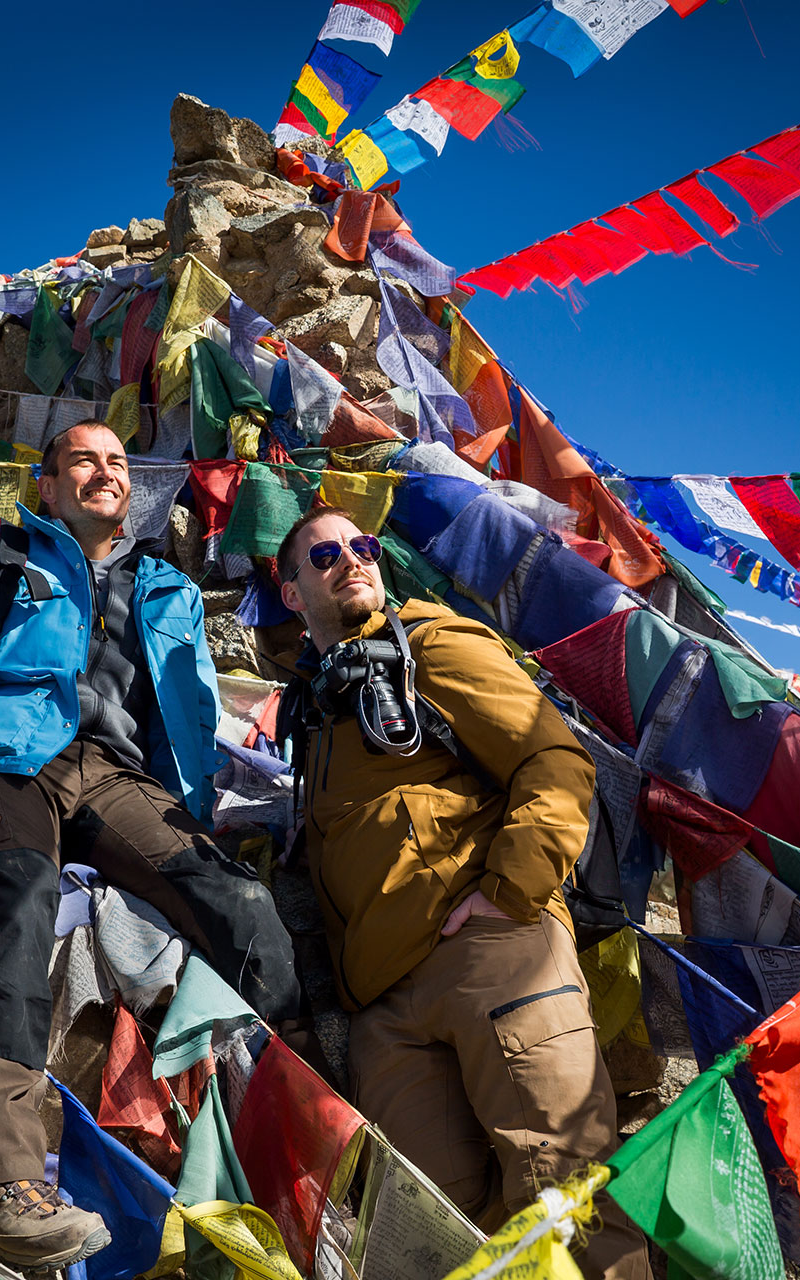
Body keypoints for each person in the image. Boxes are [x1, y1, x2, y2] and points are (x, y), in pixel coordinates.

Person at [0, 420, 299, 1271]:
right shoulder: (1, 551)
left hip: (121, 778)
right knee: (16, 903)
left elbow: (193, 708)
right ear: (49, 486)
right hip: (11, 759)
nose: (106, 473)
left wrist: (197, 806)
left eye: (118, 462)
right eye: (84, 462)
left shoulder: (167, 587)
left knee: (245, 908)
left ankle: (291, 1148)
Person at [275, 507, 649, 1280]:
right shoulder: (312, 715)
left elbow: (555, 762)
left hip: (489, 953)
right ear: (290, 593)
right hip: (384, 1012)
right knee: (433, 1247)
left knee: (566, 1202)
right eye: (325, 553)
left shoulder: (431, 642)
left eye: (364, 545)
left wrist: (508, 894)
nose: (351, 559)